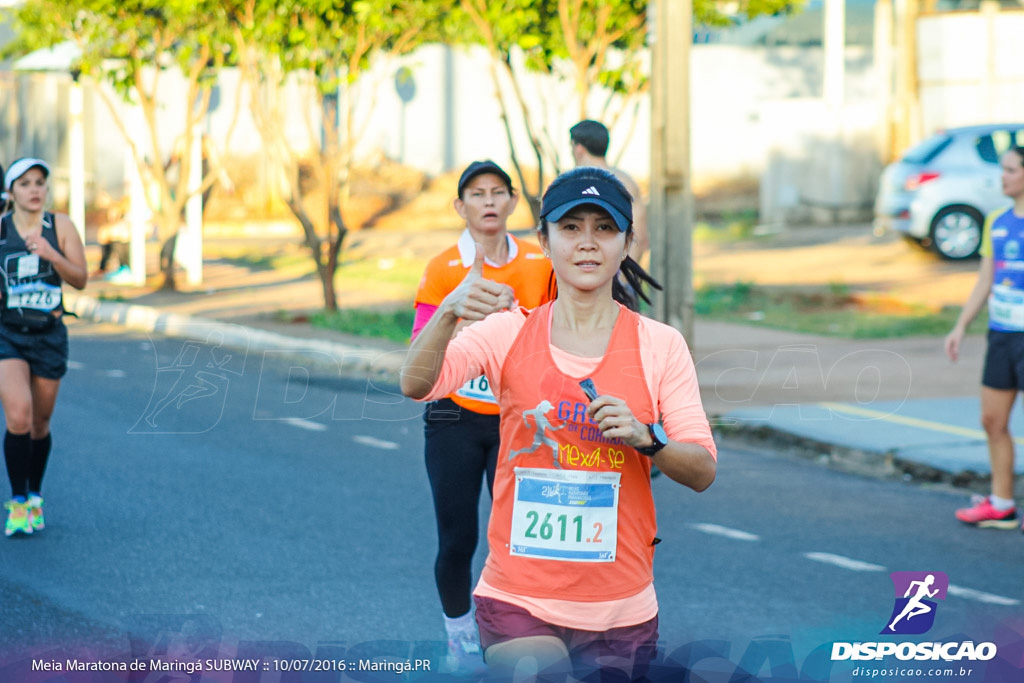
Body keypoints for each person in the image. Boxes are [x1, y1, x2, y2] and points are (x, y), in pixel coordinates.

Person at [402, 167, 717, 680]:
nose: (587, 244)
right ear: (544, 241)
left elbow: (702, 470)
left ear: (627, 243)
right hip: (517, 596)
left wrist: (648, 439)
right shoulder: (507, 332)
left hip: (622, 605)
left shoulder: (660, 345)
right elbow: (416, 384)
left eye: (604, 228)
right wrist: (447, 313)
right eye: (571, 228)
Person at [412, 160, 553, 672]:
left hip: (518, 419)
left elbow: (558, 335)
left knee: (516, 534)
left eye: (498, 193)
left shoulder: (540, 264)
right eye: (477, 194)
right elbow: (419, 351)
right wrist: (458, 314)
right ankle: (459, 634)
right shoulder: (442, 268)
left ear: (514, 201)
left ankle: (519, 629)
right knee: (458, 538)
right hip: (453, 417)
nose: (488, 202)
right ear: (460, 206)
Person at [0, 158, 88, 537]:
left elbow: (81, 279)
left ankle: (34, 494)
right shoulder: (1, 230)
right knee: (18, 416)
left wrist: (52, 255)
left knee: (40, 423)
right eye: (25, 184)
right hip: (8, 334)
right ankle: (18, 503)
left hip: (49, 335)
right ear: (11, 192)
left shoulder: (60, 226)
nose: (35, 190)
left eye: (40, 182)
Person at [946, 145, 1024, 530]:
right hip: (1002, 336)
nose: (1003, 177)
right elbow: (984, 279)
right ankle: (1002, 504)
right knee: (992, 420)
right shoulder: (997, 222)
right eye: (1003, 169)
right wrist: (961, 325)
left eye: (1010, 170)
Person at [570, 119, 649, 262]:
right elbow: (639, 239)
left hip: (579, 276)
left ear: (579, 148)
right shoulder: (627, 183)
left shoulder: (570, 185)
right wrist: (624, 280)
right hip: (618, 274)